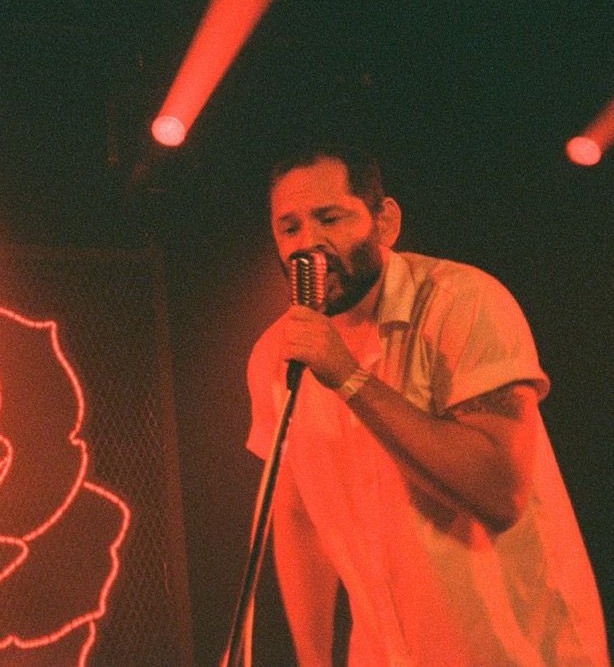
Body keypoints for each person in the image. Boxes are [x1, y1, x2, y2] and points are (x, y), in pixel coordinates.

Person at [245, 143, 608, 666]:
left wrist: (347, 377)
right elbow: (300, 519)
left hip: (515, 651)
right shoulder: (274, 358)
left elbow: (499, 490)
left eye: (331, 218)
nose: (310, 245)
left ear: (385, 221)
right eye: (290, 228)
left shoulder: (464, 303)